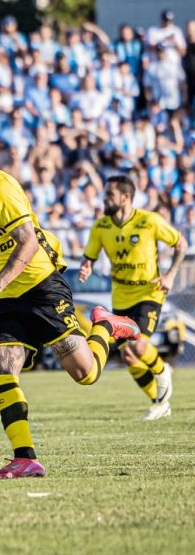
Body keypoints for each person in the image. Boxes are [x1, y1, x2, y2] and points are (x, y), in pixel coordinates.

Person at [0, 128, 141, 479]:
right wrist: (1, 288)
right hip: (9, 299)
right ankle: (25, 458)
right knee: (1, 366)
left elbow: (28, 242)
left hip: (41, 288)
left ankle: (106, 325)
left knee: (85, 374)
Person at [79, 176, 187, 420]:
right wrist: (86, 267)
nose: (105, 199)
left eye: (110, 195)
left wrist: (170, 275)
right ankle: (159, 403)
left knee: (138, 346)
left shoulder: (149, 221)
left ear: (125, 197)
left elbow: (181, 244)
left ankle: (162, 369)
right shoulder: (101, 227)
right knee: (128, 355)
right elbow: (89, 257)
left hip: (149, 293)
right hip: (121, 296)